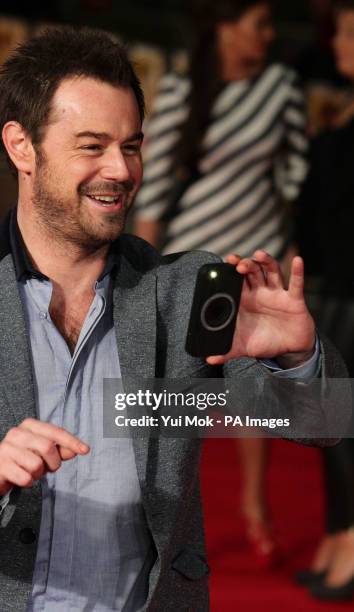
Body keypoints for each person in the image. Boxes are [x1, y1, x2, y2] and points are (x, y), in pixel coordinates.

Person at [0, 27, 345, 612]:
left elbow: (321, 424)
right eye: (92, 145)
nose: (122, 170)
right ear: (21, 146)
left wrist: (294, 357)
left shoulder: (181, 293)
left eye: (131, 146)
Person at [133, 0, 309, 567]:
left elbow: (295, 177)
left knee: (256, 393)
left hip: (256, 262)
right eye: (258, 24)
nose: (268, 35)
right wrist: (142, 273)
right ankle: (163, 516)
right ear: (226, 29)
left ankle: (256, 509)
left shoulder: (281, 87)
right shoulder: (186, 89)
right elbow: (155, 184)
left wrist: (287, 257)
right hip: (194, 263)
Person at [295, 0, 354, 601]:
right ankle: (339, 533)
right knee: (329, 422)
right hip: (331, 290)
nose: (337, 41)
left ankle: (351, 539)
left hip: (351, 294)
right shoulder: (338, 115)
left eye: (347, 31)